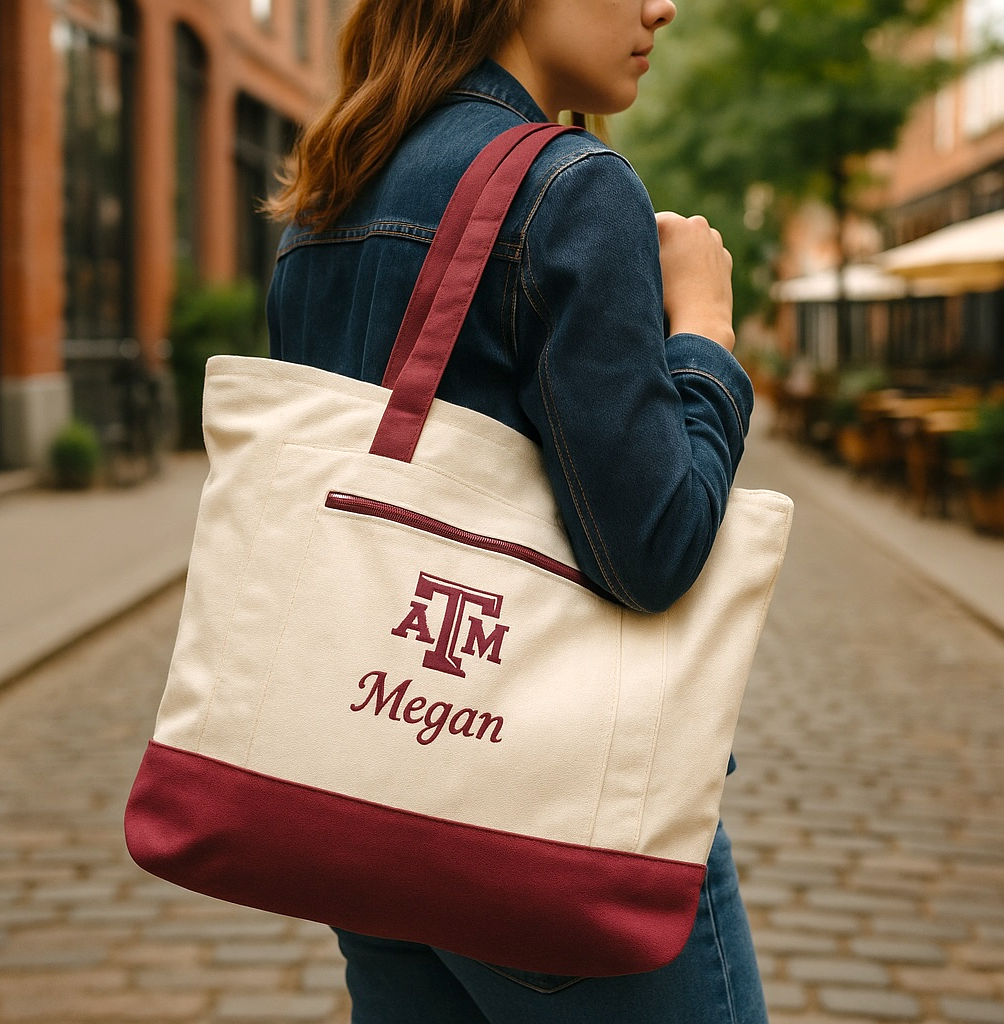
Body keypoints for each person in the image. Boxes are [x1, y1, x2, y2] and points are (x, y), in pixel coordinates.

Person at [266, 1, 766, 1020]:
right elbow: (654, 548)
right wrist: (706, 336)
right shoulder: (572, 188)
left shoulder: (330, 193)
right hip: (552, 823)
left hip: (361, 802)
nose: (662, 7)